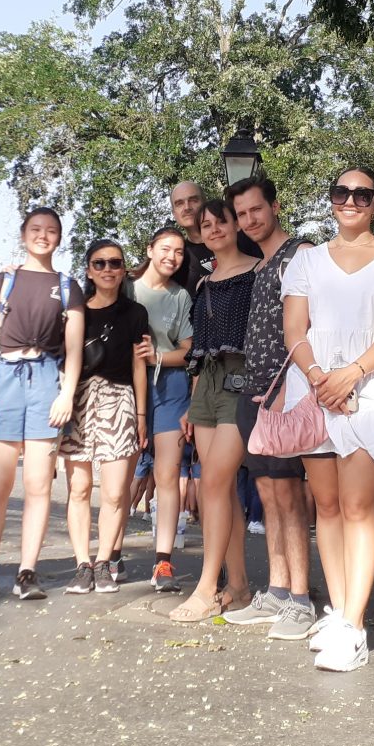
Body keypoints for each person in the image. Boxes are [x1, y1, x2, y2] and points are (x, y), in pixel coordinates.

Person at [282, 167, 374, 671]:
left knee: (359, 505)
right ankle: (341, 612)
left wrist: (352, 374)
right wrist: (322, 376)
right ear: (330, 199)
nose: (350, 200)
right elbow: (294, 329)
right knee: (327, 504)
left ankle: (356, 627)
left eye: (362, 194)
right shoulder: (305, 261)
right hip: (314, 389)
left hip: (372, 390)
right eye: (341, 191)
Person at [0, 207, 84, 602]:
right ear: (23, 234)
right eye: (36, 229)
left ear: (59, 238)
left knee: (37, 485)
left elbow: (73, 349)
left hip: (46, 382)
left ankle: (27, 570)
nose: (43, 236)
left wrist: (66, 394)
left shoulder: (68, 287)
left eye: (51, 230)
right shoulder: (1, 281)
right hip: (4, 380)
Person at [223, 174, 316, 640]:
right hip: (253, 394)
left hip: (286, 393)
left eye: (256, 210)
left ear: (275, 207)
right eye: (241, 214)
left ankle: (301, 599)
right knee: (268, 496)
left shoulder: (299, 255)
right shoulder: (259, 267)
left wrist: (293, 387)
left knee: (290, 495)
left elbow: (312, 324)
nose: (249, 220)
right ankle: (278, 591)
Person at [169, 200, 258, 622]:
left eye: (222, 221)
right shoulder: (203, 284)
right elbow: (199, 349)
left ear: (236, 225)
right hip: (206, 384)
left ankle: (205, 588)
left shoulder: (258, 273)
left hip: (242, 384)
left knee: (214, 483)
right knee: (218, 490)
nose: (215, 229)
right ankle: (238, 587)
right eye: (207, 224)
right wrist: (191, 400)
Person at [60, 240, 149, 593]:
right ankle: (82, 563)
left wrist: (141, 413)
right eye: (100, 263)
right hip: (79, 398)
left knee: (114, 493)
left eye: (115, 263)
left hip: (119, 398)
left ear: (124, 269)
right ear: (88, 270)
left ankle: (103, 561)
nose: (108, 269)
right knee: (79, 488)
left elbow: (138, 364)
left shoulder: (135, 312)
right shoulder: (76, 311)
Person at [127, 226, 194, 591]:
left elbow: (189, 349)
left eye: (179, 251)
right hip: (126, 388)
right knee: (123, 476)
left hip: (170, 390)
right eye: (166, 249)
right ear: (150, 249)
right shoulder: (125, 287)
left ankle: (163, 562)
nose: (172, 256)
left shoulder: (181, 296)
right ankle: (111, 553)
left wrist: (160, 356)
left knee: (168, 476)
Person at [170, 180, 261, 297]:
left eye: (193, 200)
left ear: (204, 202)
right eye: (179, 203)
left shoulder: (242, 237)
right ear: (173, 213)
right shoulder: (178, 257)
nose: (187, 207)